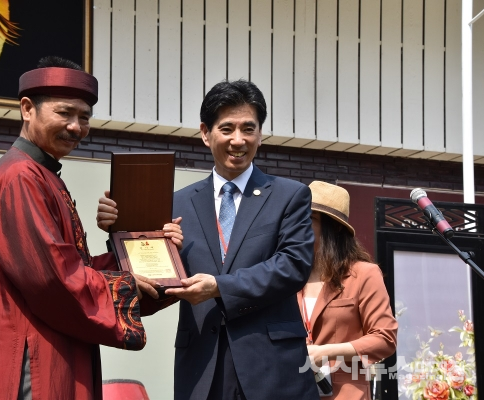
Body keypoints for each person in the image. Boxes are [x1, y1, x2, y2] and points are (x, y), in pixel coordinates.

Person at [0, 56, 182, 400]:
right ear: (27, 109)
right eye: (64, 113)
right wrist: (127, 284)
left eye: (84, 117)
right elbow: (52, 279)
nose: (76, 127)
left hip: (57, 347)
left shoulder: (44, 176)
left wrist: (150, 252)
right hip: (34, 360)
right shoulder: (20, 177)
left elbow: (73, 268)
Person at [98, 80, 319, 400]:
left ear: (260, 134)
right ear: (205, 133)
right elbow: (153, 281)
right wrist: (120, 231)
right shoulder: (176, 203)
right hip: (202, 366)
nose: (238, 140)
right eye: (227, 129)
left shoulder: (290, 195)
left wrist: (219, 287)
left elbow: (293, 266)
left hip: (271, 369)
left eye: (248, 129)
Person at [299, 181, 397, 399]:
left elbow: (385, 338)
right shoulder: (290, 277)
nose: (299, 226)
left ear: (334, 227)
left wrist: (327, 352)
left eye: (310, 219)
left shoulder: (364, 274)